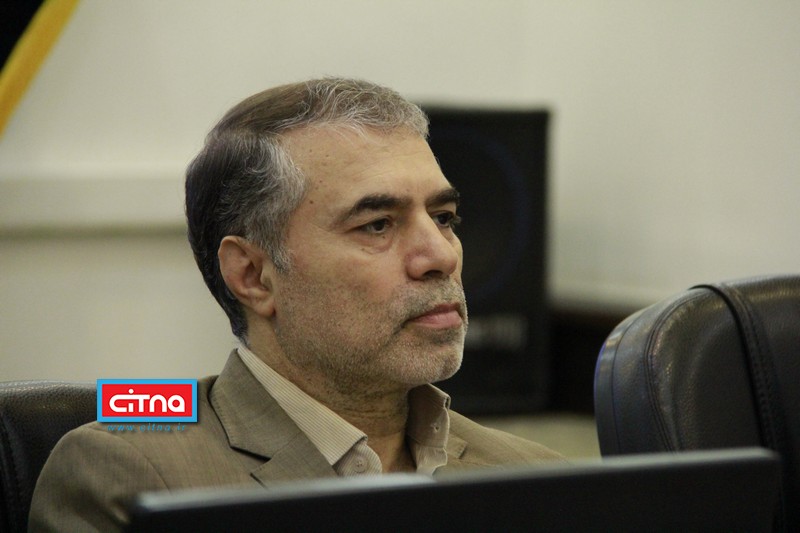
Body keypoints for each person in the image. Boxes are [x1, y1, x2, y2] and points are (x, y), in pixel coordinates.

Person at [29, 77, 563, 532]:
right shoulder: (133, 472)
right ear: (253, 276)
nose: (441, 256)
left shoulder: (536, 477)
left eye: (444, 218)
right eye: (377, 225)